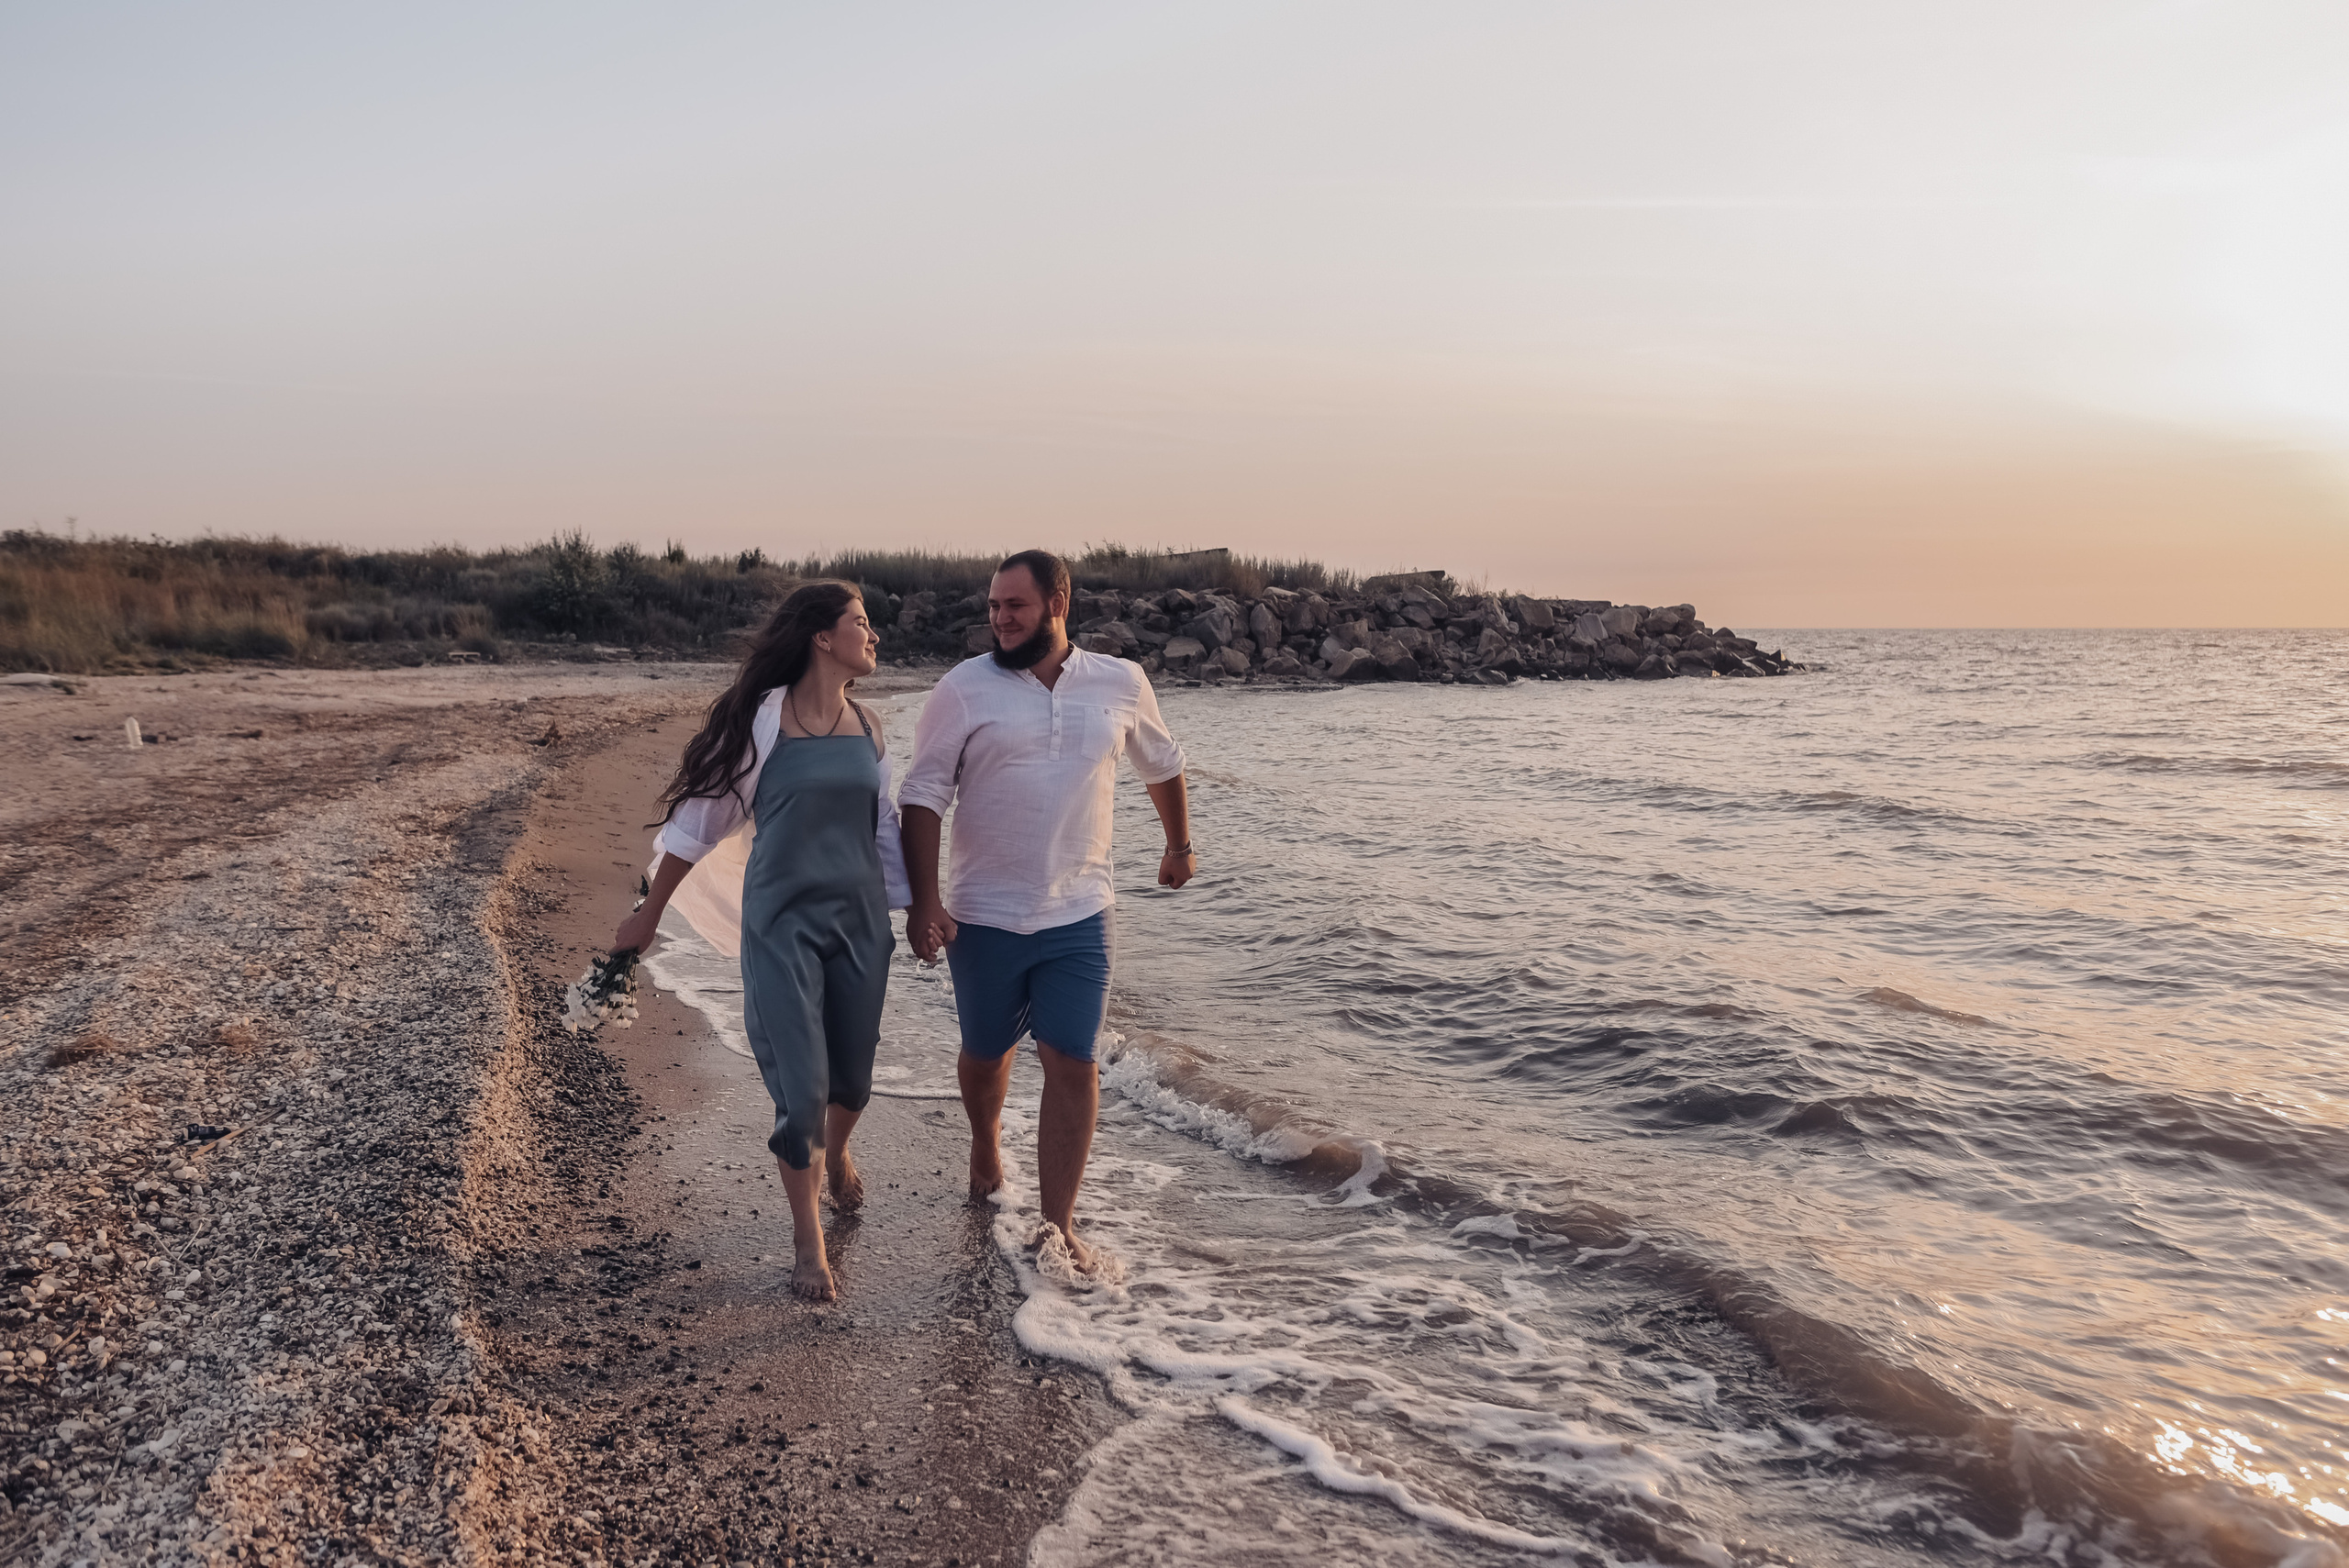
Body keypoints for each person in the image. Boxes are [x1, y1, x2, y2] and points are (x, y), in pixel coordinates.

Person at [898, 549, 1195, 1274]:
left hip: (1082, 912)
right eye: (994, 607)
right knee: (986, 1050)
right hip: (984, 911)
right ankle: (985, 1139)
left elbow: (1162, 762)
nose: (999, 619)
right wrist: (924, 901)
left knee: (1073, 1060)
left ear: (1058, 601)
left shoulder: (1121, 683)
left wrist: (1179, 845)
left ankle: (1058, 1227)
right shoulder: (962, 690)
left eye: (1015, 606)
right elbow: (923, 795)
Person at [612, 580, 909, 1302]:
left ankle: (837, 1154)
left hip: (860, 923)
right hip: (781, 925)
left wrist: (925, 913)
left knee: (853, 1083)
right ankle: (809, 1247)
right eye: (861, 623)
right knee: (802, 1094)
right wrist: (648, 914)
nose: (873, 637)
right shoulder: (764, 724)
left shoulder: (869, 728)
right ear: (821, 637)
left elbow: (886, 834)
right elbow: (698, 827)